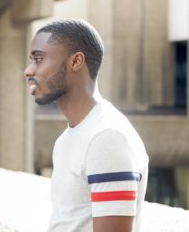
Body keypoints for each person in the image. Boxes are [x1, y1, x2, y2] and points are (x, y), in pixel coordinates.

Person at [24, 19, 148, 232]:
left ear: (76, 61)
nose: (28, 71)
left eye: (38, 59)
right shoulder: (68, 137)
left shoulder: (107, 138)